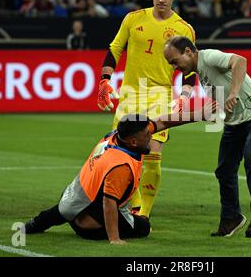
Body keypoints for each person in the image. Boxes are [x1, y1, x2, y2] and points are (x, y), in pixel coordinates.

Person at [23, 105, 216, 245]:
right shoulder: (120, 165)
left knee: (59, 212)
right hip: (89, 225)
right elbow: (109, 203)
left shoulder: (116, 136)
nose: (152, 137)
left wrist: (202, 114)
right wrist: (114, 239)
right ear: (133, 142)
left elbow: (164, 121)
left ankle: (32, 225)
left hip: (73, 199)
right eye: (147, 136)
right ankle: (101, 230)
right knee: (144, 228)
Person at [97, 0, 197, 219]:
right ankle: (132, 205)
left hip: (161, 94)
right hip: (130, 93)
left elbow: (190, 68)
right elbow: (115, 49)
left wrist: (184, 95)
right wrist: (105, 80)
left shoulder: (183, 28)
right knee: (123, 152)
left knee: (152, 151)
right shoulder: (133, 19)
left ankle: (144, 213)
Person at [163, 36, 251, 238]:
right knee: (224, 170)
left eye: (174, 61)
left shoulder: (209, 57)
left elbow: (240, 61)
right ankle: (231, 217)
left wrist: (233, 93)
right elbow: (214, 105)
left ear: (188, 51)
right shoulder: (199, 71)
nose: (174, 67)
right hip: (234, 124)